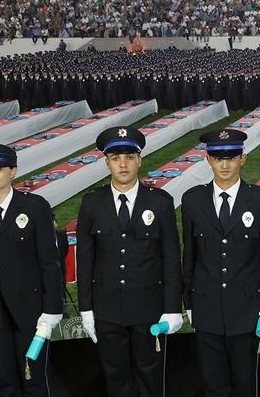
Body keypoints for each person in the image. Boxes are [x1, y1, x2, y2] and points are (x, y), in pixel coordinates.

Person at [76, 126, 183, 397]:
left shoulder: (160, 202)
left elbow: (171, 258)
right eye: (115, 158)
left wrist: (172, 308)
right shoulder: (91, 203)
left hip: (149, 310)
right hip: (107, 310)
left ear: (139, 160)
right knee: (116, 380)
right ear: (107, 163)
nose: (123, 164)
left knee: (151, 379)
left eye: (129, 157)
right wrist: (86, 309)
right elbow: (85, 261)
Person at [181, 129, 260, 397]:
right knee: (213, 385)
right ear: (208, 160)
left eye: (231, 157)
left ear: (243, 159)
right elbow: (189, 255)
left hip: (247, 311)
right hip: (206, 309)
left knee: (246, 384)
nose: (224, 164)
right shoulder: (192, 200)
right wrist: (189, 302)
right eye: (218, 158)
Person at [0, 143, 64, 396]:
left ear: (13, 171)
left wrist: (52, 309)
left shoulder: (35, 207)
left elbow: (49, 262)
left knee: (34, 379)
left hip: (32, 311)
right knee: (7, 382)